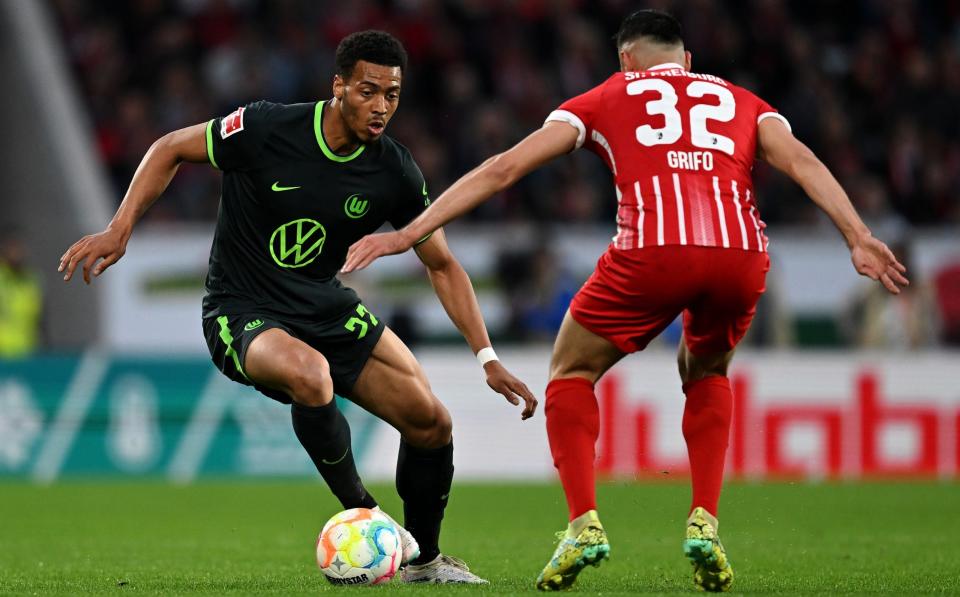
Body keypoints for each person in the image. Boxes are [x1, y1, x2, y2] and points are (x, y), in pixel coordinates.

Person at [342, 10, 909, 592]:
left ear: (625, 60)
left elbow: (505, 168)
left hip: (654, 251)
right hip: (740, 252)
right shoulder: (744, 101)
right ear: (687, 62)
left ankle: (583, 522)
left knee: (571, 368)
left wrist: (410, 232)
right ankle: (706, 521)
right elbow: (804, 163)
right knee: (707, 369)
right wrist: (857, 235)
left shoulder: (609, 95)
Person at [59, 30, 537, 585]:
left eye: (392, 95)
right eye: (367, 91)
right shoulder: (265, 128)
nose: (381, 106)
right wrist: (120, 229)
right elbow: (169, 148)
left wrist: (486, 357)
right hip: (241, 308)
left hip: (322, 303)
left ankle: (425, 561)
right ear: (338, 86)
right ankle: (366, 513)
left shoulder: (394, 171)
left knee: (431, 422)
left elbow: (443, 264)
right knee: (310, 376)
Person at [0, 230, 43, 358]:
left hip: (27, 352)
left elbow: (39, 320)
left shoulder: (31, 280)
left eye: (19, 248)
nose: (17, 253)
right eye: (12, 248)